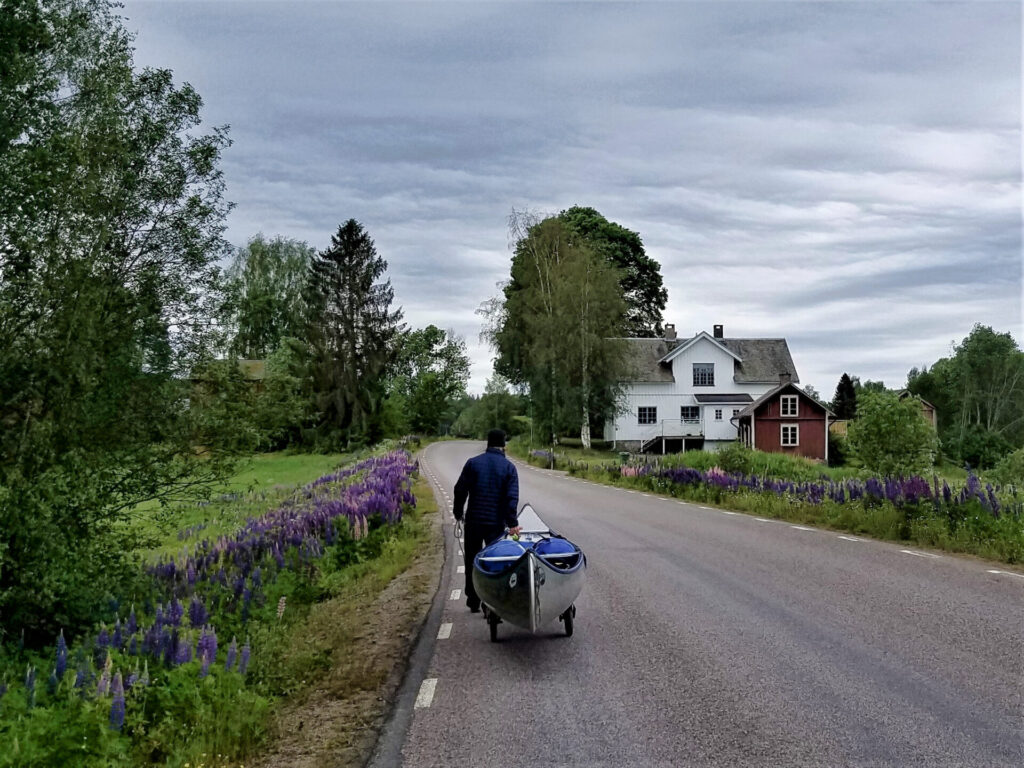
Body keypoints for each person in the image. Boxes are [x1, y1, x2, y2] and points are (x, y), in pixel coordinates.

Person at [452, 428, 520, 613]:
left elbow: (460, 490)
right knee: (494, 561)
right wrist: (512, 523)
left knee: (472, 560)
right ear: (503, 446)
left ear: (488, 444)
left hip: (474, 521)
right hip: (496, 524)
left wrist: (458, 513)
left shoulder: (473, 463)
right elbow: (511, 499)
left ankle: (473, 599)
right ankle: (491, 600)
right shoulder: (509, 468)